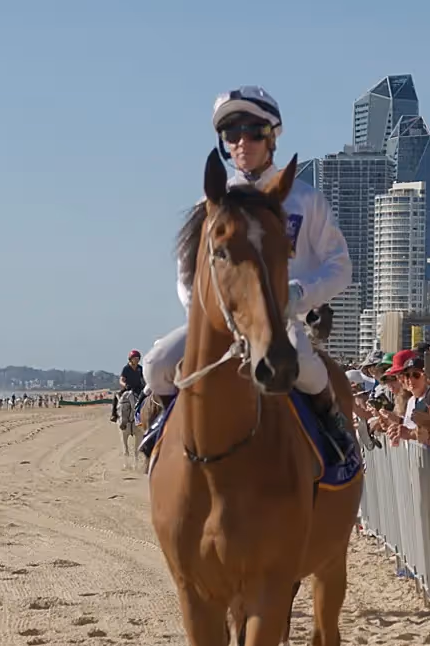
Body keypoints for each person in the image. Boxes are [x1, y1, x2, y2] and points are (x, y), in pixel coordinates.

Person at [140, 86, 355, 459]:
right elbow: (186, 275)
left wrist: (300, 294)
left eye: (253, 131)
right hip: (222, 321)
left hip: (284, 321)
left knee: (308, 368)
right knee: (156, 365)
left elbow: (340, 268)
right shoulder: (209, 204)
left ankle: (334, 434)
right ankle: (164, 426)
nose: (242, 142)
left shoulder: (306, 200)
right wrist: (212, 313)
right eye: (231, 134)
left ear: (272, 137)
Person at [115, 350, 146, 421]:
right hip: (128, 388)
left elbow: (144, 378)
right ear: (130, 359)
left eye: (138, 359)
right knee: (116, 396)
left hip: (138, 388)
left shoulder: (140, 368)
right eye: (135, 358)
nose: (137, 360)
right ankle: (114, 415)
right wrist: (125, 385)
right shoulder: (126, 368)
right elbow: (121, 380)